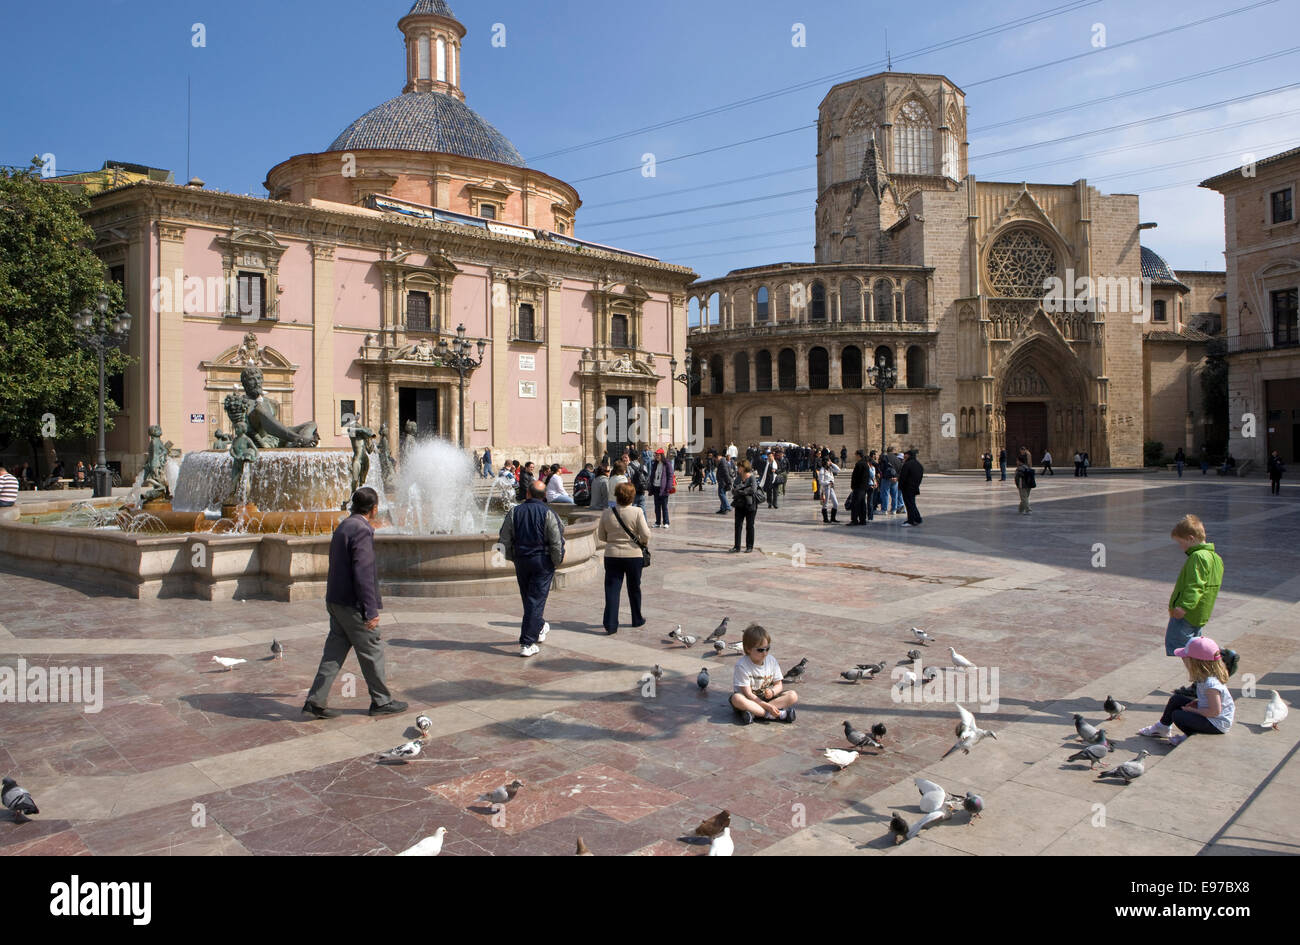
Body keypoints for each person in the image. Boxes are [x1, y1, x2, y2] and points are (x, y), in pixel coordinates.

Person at [303, 487, 407, 719]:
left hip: (336, 600)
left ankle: (315, 700)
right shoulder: (362, 529)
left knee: (334, 653)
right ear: (374, 508)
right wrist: (370, 611)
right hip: (352, 604)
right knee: (372, 650)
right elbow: (363, 573)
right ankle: (381, 701)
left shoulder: (344, 525)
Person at [499, 480, 565, 657]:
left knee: (529, 598)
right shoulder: (549, 513)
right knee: (535, 599)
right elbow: (556, 541)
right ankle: (527, 642)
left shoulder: (514, 512)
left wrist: (512, 557)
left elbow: (503, 540)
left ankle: (540, 626)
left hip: (522, 560)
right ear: (544, 496)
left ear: (527, 494)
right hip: (542, 561)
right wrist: (556, 561)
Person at [1139, 637, 1235, 746]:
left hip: (1216, 724)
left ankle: (1188, 736)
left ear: (1195, 662)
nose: (1184, 661)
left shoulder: (1211, 685)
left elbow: (1215, 712)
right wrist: (1198, 703)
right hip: (1211, 716)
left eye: (1186, 659)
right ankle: (1162, 728)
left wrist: (1194, 710)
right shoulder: (1205, 677)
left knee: (1178, 715)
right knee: (1177, 699)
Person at [1164, 514, 1223, 657]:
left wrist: (1184, 606)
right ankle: (1200, 674)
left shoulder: (1198, 557)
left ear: (1191, 538)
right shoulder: (1215, 558)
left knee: (1180, 648)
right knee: (1195, 648)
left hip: (1187, 614)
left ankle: (1199, 674)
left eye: (1181, 543)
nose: (1181, 547)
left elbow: (1195, 585)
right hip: (1200, 613)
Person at [596, 482, 650, 635]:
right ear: (632, 496)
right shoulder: (637, 512)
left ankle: (611, 624)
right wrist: (642, 543)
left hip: (612, 555)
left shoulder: (607, 512)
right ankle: (636, 618)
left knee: (612, 590)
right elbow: (646, 534)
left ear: (617, 495)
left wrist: (613, 541)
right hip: (633, 556)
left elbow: (601, 535)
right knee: (634, 588)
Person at [729, 623, 798, 724]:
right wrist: (768, 707)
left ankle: (755, 714)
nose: (765, 653)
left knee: (793, 695)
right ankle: (773, 714)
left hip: (767, 699)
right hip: (749, 699)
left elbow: (779, 684)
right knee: (736, 699)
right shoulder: (742, 666)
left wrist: (773, 692)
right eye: (760, 650)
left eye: (767, 649)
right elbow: (748, 694)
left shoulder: (771, 661)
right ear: (748, 649)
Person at [730, 460, 759, 553]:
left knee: (750, 526)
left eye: (739, 467)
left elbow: (753, 490)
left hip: (750, 505)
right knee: (738, 525)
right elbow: (733, 489)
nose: (738, 468)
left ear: (744, 468)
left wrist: (741, 491)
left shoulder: (751, 477)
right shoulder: (738, 478)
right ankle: (736, 546)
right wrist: (744, 490)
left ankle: (749, 546)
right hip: (739, 504)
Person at [899, 448, 924, 526]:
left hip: (907, 488)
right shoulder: (919, 465)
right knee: (912, 504)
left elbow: (903, 477)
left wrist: (900, 486)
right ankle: (918, 518)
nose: (904, 456)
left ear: (909, 455)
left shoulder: (907, 464)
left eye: (905, 454)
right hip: (914, 487)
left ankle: (911, 521)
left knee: (909, 504)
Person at [649, 447, 673, 528]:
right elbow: (652, 474)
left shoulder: (667, 464)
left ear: (662, 455)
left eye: (658, 455)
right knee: (657, 506)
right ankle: (658, 522)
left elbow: (670, 476)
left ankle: (666, 522)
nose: (657, 456)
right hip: (656, 487)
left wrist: (668, 487)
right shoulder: (655, 464)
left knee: (664, 506)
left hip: (663, 488)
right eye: (656, 455)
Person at [816, 457, 841, 523]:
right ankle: (826, 519)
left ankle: (833, 518)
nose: (829, 462)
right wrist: (828, 482)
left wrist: (832, 464)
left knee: (836, 503)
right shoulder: (822, 470)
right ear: (825, 462)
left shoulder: (830, 469)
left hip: (831, 487)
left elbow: (838, 470)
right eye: (828, 461)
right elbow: (821, 482)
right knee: (825, 504)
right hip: (826, 488)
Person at [1014, 449, 1036, 515]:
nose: (1016, 462)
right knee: (1025, 498)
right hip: (1029, 485)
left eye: (1017, 461)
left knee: (1024, 498)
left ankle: (1028, 510)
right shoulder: (1027, 467)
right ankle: (1021, 509)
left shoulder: (1019, 468)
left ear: (1020, 461)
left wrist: (1017, 485)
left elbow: (1017, 478)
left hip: (1022, 485)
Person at [880, 449, 900, 514]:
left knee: (885, 494)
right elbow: (900, 469)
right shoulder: (897, 459)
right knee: (894, 495)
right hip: (895, 479)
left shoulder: (885, 457)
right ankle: (894, 509)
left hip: (886, 478)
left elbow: (882, 468)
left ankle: (884, 509)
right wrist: (896, 477)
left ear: (887, 451)